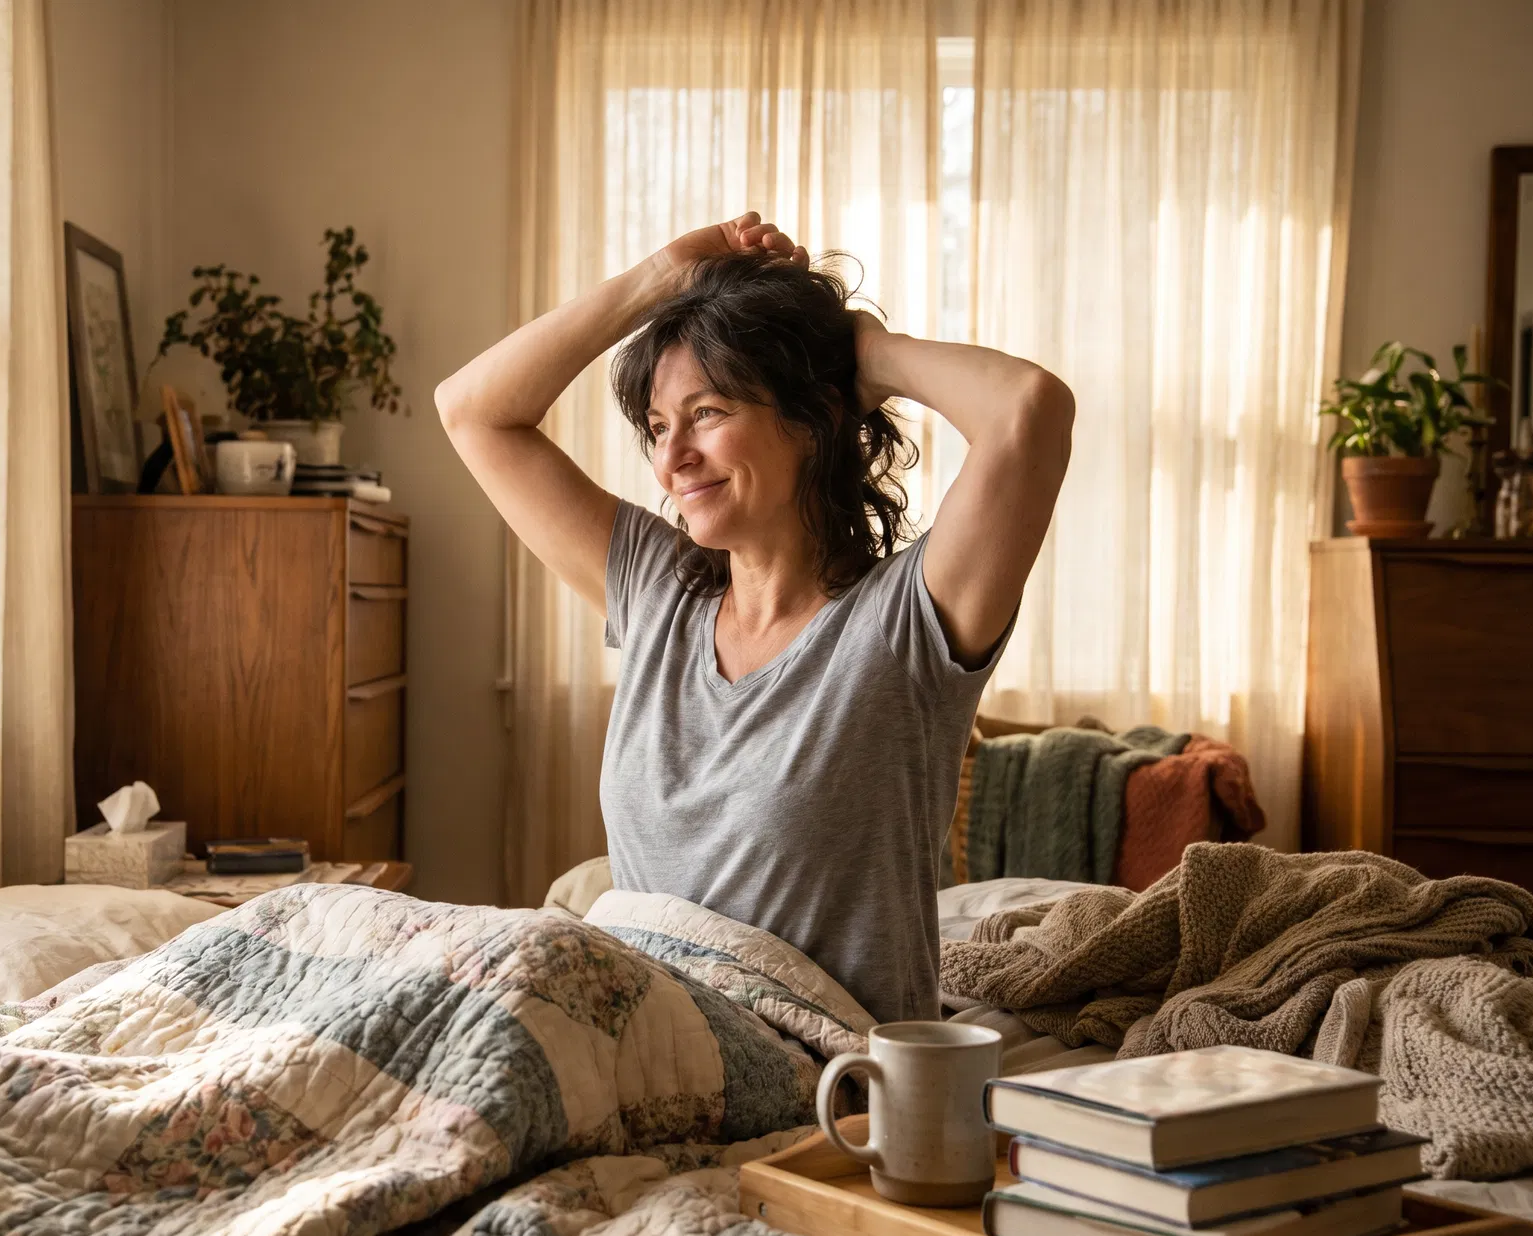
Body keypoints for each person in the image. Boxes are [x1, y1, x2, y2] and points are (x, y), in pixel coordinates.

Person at [435, 213, 1073, 1023]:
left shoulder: (906, 625)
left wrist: (858, 354)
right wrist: (660, 276)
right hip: (640, 1036)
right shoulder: (657, 591)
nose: (671, 460)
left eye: (706, 414)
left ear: (812, 420)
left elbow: (1031, 409)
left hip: (810, 1069)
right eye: (659, 429)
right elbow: (471, 412)